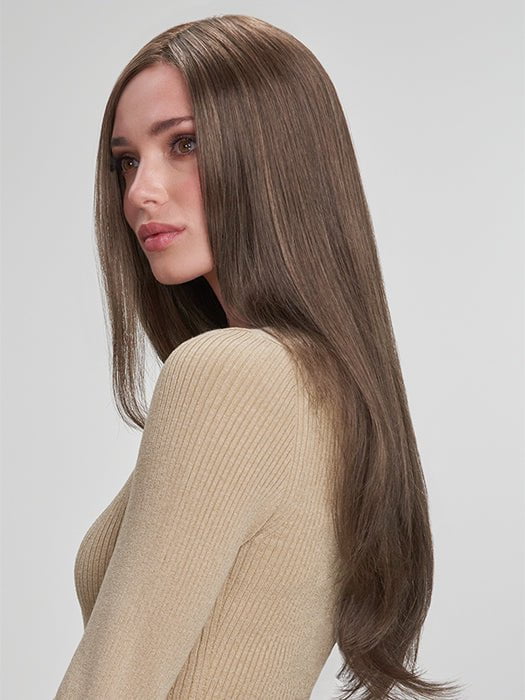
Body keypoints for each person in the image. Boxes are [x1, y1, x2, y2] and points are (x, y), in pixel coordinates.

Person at [54, 14, 463, 700]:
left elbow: (113, 682)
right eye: (127, 160)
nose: (139, 192)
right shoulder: (326, 383)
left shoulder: (228, 374)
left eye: (183, 144)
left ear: (274, 157)